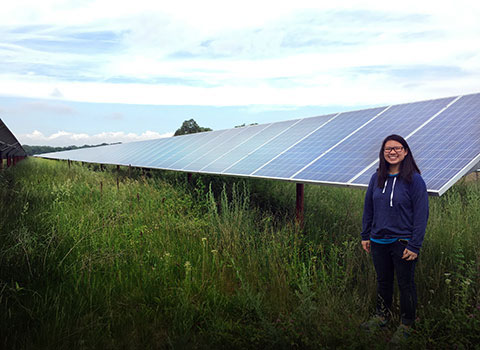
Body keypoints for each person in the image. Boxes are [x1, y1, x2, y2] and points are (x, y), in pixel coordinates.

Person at [360, 134, 429, 343]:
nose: (392, 152)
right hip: (378, 241)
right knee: (383, 281)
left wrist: (415, 244)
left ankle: (406, 324)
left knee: (406, 284)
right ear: (383, 153)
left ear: (405, 151)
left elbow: (421, 213)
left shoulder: (414, 180)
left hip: (403, 243)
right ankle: (381, 316)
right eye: (388, 149)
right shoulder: (376, 178)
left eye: (397, 148)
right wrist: (366, 235)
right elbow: (368, 208)